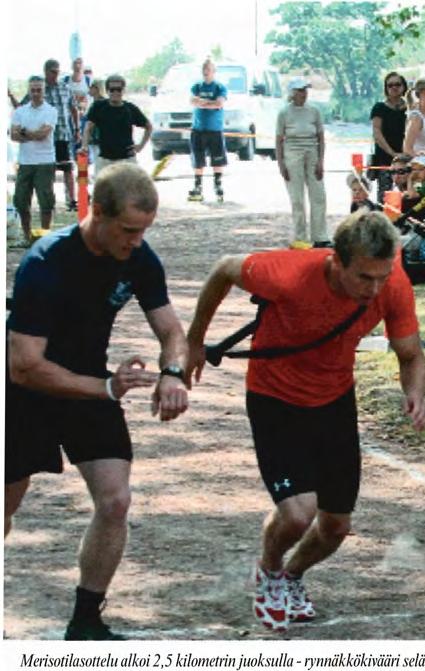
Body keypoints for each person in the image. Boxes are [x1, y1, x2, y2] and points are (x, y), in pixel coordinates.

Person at [184, 210, 425, 632]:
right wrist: (193, 341)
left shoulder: (392, 285)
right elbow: (224, 268)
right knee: (298, 513)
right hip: (274, 397)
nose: (374, 289)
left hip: (334, 400)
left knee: (336, 526)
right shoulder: (288, 274)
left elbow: (411, 355)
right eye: (364, 278)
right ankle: (268, 569)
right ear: (337, 260)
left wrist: (415, 392)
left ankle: (292, 577)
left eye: (382, 277)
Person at [5, 163, 190, 639]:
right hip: (25, 392)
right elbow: (23, 364)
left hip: (88, 384)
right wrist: (106, 389)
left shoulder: (138, 257)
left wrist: (172, 372)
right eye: (129, 229)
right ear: (98, 213)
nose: (136, 240)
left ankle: (85, 622)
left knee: (116, 501)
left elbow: (171, 329)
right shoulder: (46, 264)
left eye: (144, 230)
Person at [276, 77, 327, 249]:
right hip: (292, 154)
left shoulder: (314, 111)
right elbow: (279, 139)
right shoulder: (284, 113)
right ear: (292, 93)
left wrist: (321, 161)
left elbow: (320, 136)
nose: (303, 94)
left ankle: (320, 235)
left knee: (318, 195)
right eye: (299, 90)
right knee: (297, 198)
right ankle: (300, 236)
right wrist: (281, 164)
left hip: (312, 151)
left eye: (305, 90)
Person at [10, 76, 58, 243]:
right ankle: (27, 236)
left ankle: (44, 237)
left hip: (45, 161)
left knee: (46, 202)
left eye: (39, 90)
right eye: (33, 90)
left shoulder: (51, 110)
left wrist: (23, 132)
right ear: (28, 91)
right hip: (25, 161)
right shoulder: (20, 111)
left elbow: (43, 134)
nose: (36, 93)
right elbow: (13, 136)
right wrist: (31, 133)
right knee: (21, 201)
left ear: (44, 91)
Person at [80, 74, 152, 175]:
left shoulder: (130, 109)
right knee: (102, 190)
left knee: (129, 190)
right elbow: (88, 127)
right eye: (112, 89)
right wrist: (84, 146)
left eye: (119, 89)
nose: (115, 92)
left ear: (123, 90)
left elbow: (148, 127)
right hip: (105, 159)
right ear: (107, 90)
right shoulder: (98, 107)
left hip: (127, 159)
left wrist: (141, 146)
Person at [42, 59, 79, 211]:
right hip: (46, 137)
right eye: (53, 72)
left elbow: (74, 109)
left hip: (64, 135)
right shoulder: (40, 89)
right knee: (48, 170)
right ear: (46, 71)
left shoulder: (65, 88)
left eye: (58, 72)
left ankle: (72, 201)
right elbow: (24, 107)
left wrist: (77, 129)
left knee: (68, 169)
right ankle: (50, 202)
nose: (56, 75)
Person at [188, 59, 227, 203]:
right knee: (198, 159)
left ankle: (218, 185)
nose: (206, 71)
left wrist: (204, 103)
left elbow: (219, 103)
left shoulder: (219, 87)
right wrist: (209, 103)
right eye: (204, 69)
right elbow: (193, 101)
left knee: (217, 158)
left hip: (214, 129)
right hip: (198, 129)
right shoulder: (196, 86)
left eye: (209, 69)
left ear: (213, 71)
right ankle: (197, 186)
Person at [370, 72, 409, 203]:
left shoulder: (410, 108)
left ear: (403, 87)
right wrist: (392, 153)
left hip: (407, 159)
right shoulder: (379, 108)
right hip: (385, 159)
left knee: (407, 196)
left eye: (397, 84)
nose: (394, 87)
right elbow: (377, 133)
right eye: (390, 85)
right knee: (385, 198)